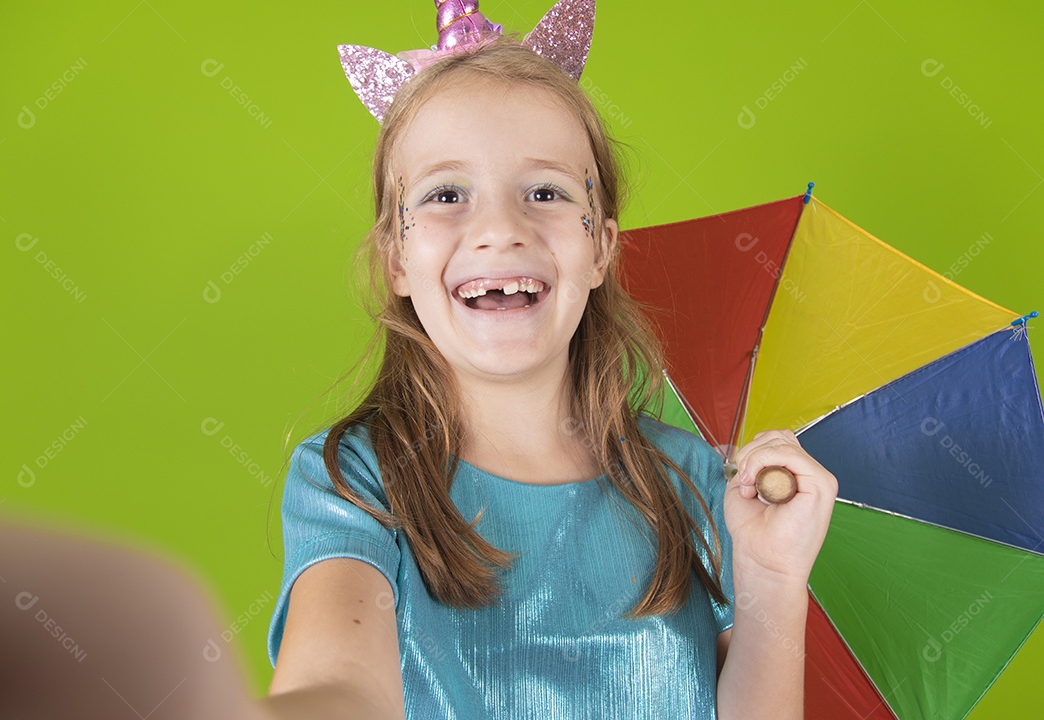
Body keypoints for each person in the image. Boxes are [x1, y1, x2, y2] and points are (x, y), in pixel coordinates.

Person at [263, 2, 837, 719]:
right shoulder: (355, 480)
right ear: (397, 258)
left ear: (600, 247)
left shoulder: (694, 483)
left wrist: (774, 579)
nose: (501, 229)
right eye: (446, 194)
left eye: (546, 192)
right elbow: (337, 684)